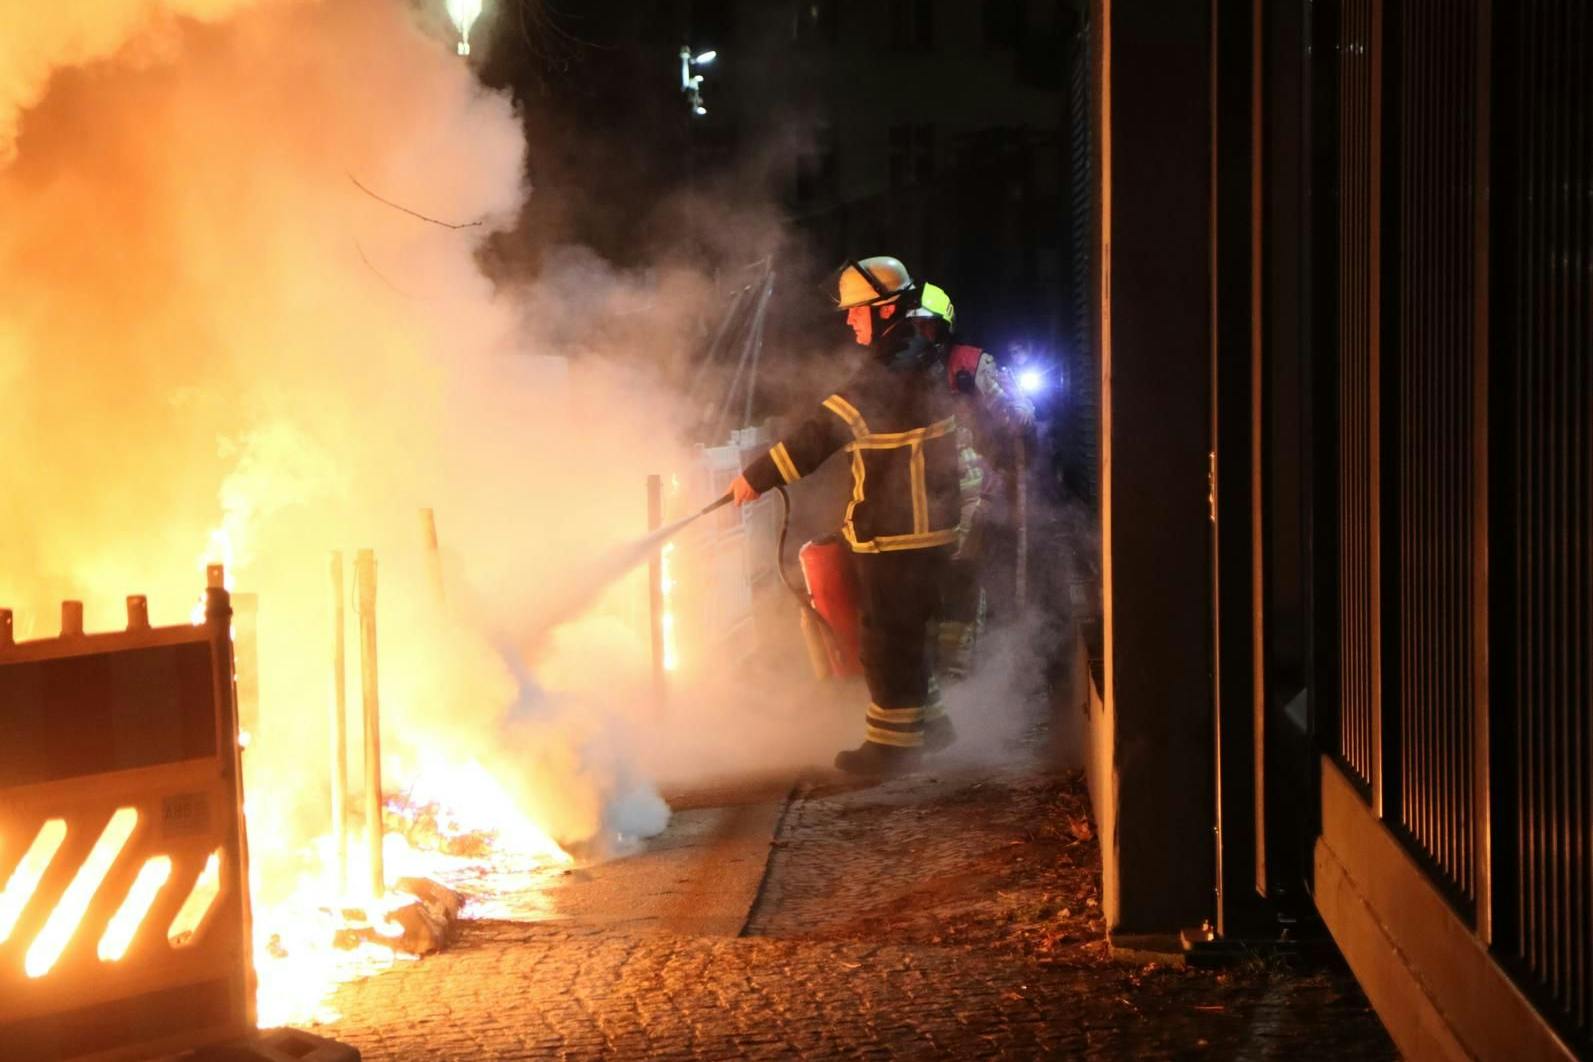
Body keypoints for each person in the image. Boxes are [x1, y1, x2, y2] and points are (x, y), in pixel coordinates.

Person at [729, 256, 960, 777]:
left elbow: (823, 432)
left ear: (883, 308)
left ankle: (892, 748)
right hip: (920, 526)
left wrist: (757, 477)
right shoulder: (915, 353)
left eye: (856, 312)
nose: (849, 321)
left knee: (886, 637)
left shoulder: (887, 371)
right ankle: (932, 724)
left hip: (902, 530)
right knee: (908, 632)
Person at [905, 284, 1035, 689]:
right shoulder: (905, 370)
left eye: (926, 326)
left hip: (965, 490)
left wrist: (993, 400)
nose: (920, 334)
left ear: (943, 327)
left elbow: (1017, 417)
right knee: (926, 580)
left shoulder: (970, 364)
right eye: (915, 326)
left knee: (960, 578)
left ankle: (957, 675)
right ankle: (934, 675)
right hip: (917, 491)